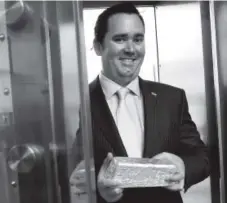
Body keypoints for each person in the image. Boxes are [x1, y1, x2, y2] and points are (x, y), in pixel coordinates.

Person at [70, 2, 210, 203]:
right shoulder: (77, 101)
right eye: (120, 39)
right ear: (99, 47)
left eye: (138, 39)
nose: (130, 49)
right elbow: (62, 166)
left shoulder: (172, 98)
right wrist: (94, 186)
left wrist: (182, 166)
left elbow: (201, 157)